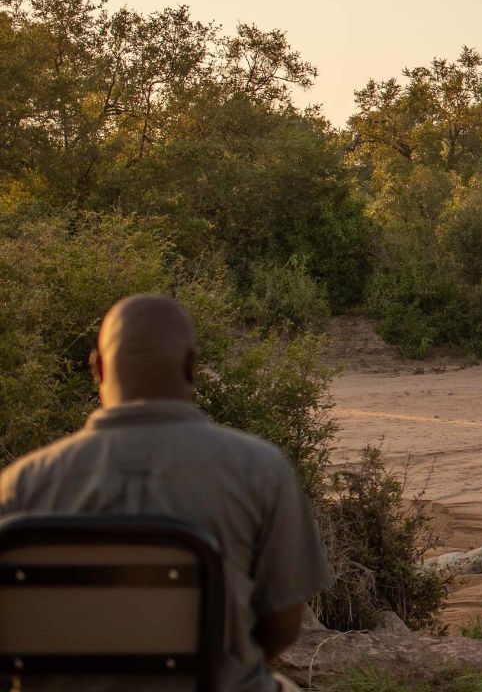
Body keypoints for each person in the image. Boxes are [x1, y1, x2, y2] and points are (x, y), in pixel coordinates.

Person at [0, 294, 333, 692]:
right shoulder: (260, 469)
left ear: (97, 368)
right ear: (192, 367)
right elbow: (281, 627)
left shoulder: (21, 485)